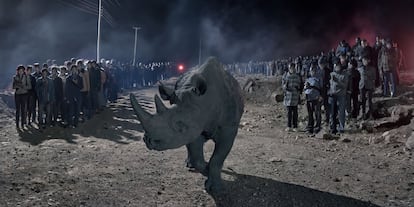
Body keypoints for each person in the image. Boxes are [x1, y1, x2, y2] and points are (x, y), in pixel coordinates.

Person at [328, 64, 349, 134]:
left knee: (341, 112)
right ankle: (333, 127)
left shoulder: (344, 74)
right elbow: (329, 84)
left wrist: (337, 81)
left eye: (338, 66)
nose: (337, 67)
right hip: (333, 95)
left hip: (341, 95)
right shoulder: (331, 74)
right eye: (335, 66)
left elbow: (345, 85)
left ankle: (341, 128)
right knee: (333, 113)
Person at [282, 63, 301, 132]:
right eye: (290, 68)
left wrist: (298, 89)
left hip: (295, 96)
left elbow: (300, 85)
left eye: (293, 68)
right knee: (289, 113)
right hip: (288, 97)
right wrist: (285, 87)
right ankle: (289, 126)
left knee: (295, 113)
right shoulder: (285, 76)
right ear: (289, 68)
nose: (292, 69)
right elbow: (282, 86)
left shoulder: (297, 76)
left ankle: (295, 126)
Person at [304, 67, 322, 134]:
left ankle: (317, 127)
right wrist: (306, 87)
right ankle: (310, 127)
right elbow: (305, 88)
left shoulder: (319, 79)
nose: (313, 72)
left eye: (314, 71)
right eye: (311, 71)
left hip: (316, 97)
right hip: (309, 97)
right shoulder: (308, 79)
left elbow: (322, 88)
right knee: (310, 113)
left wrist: (321, 96)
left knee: (317, 113)